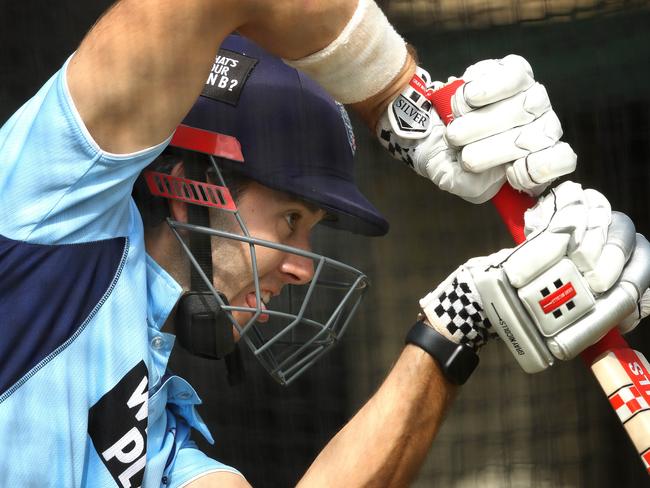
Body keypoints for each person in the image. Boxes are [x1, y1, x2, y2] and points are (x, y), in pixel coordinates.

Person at [0, 0, 640, 486]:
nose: (303, 268)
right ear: (189, 184)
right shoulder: (54, 211)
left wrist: (456, 328)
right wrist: (401, 101)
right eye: (289, 221)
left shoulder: (158, 414)